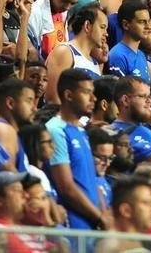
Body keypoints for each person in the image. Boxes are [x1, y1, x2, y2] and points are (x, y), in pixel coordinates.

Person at [46, 67, 110, 230]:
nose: (94, 98)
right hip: (74, 224)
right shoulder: (55, 130)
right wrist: (100, 217)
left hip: (92, 222)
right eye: (87, 92)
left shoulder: (81, 131)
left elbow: (92, 178)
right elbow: (66, 187)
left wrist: (105, 214)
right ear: (68, 95)